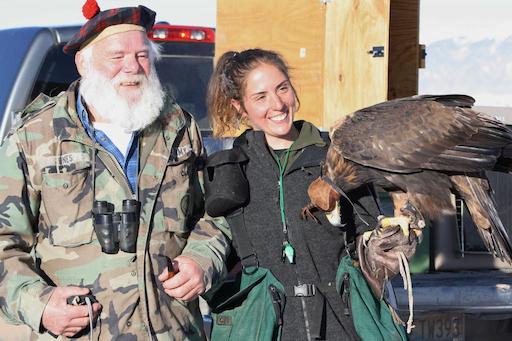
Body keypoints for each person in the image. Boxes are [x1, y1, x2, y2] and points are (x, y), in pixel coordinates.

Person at [0, 2, 229, 340]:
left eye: (141, 56)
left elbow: (215, 214)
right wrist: (40, 305)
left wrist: (202, 260)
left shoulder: (178, 128)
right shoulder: (35, 137)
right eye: (117, 57)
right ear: (83, 63)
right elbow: (5, 242)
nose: (132, 68)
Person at [205, 49, 415, 341]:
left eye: (282, 88)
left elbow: (369, 240)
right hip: (266, 328)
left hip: (342, 325)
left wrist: (391, 244)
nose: (277, 104)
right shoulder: (233, 168)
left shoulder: (336, 156)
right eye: (260, 97)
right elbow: (213, 241)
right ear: (239, 107)